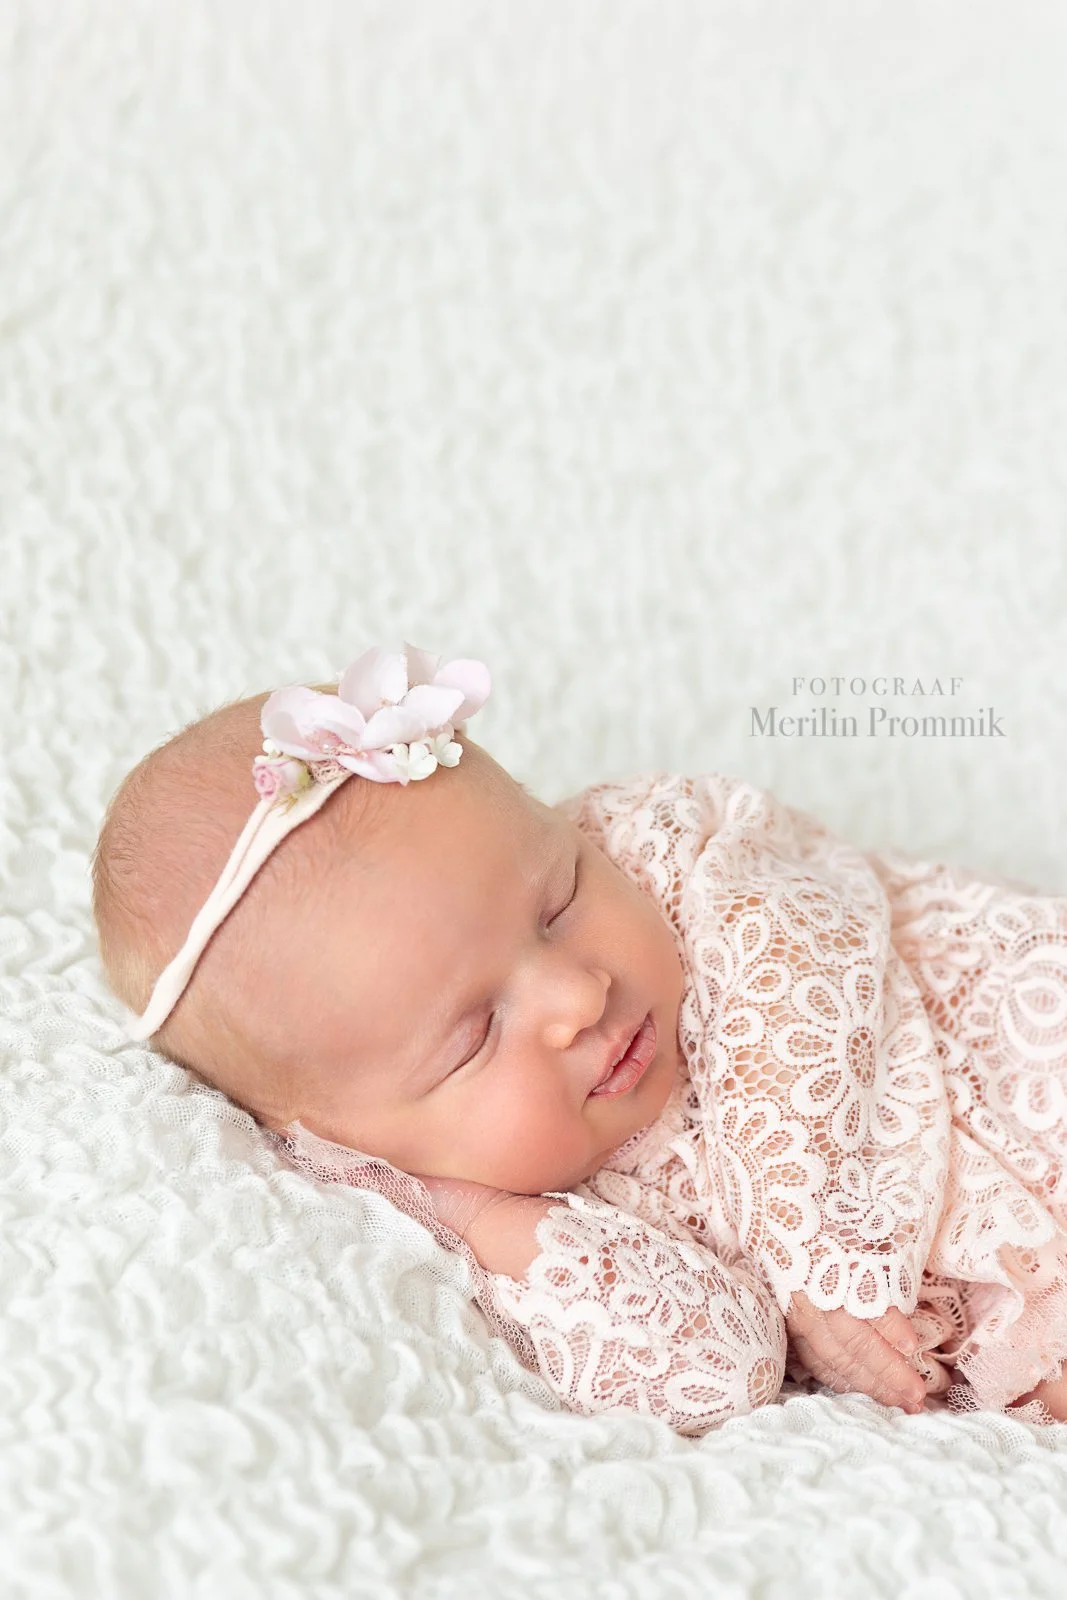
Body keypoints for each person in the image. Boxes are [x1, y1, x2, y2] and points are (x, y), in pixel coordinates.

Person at [90, 641, 1067, 1436]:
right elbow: (719, 1367)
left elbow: (803, 951)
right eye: (474, 1036)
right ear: (358, 1141)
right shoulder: (546, 1209)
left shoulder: (660, 850)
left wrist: (807, 1237)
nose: (576, 995)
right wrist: (463, 1210)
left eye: (558, 903)